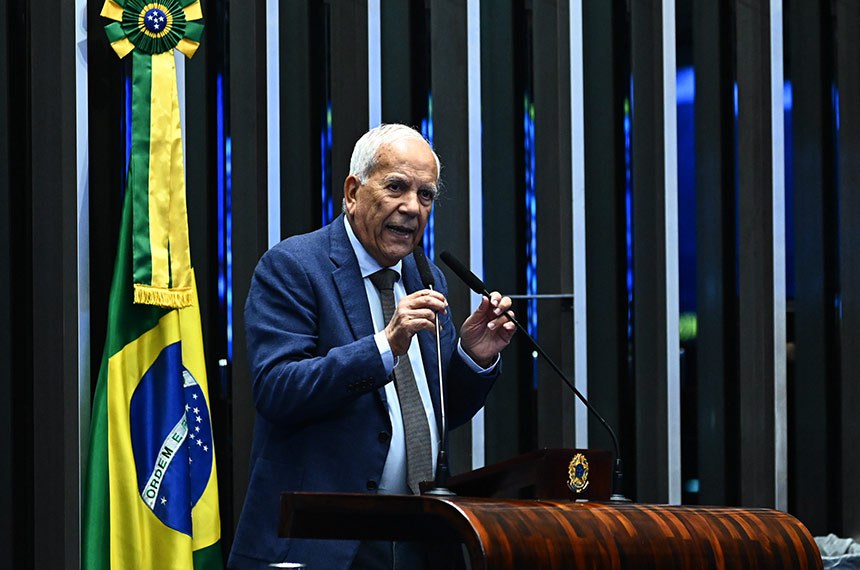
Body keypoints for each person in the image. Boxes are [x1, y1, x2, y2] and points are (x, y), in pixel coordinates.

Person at [228, 124, 516, 569]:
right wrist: (385, 345)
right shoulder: (294, 267)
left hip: (420, 538)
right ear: (352, 192)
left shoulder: (425, 277)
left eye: (426, 195)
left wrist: (473, 356)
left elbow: (428, 413)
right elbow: (277, 388)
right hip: (327, 544)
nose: (412, 208)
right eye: (396, 187)